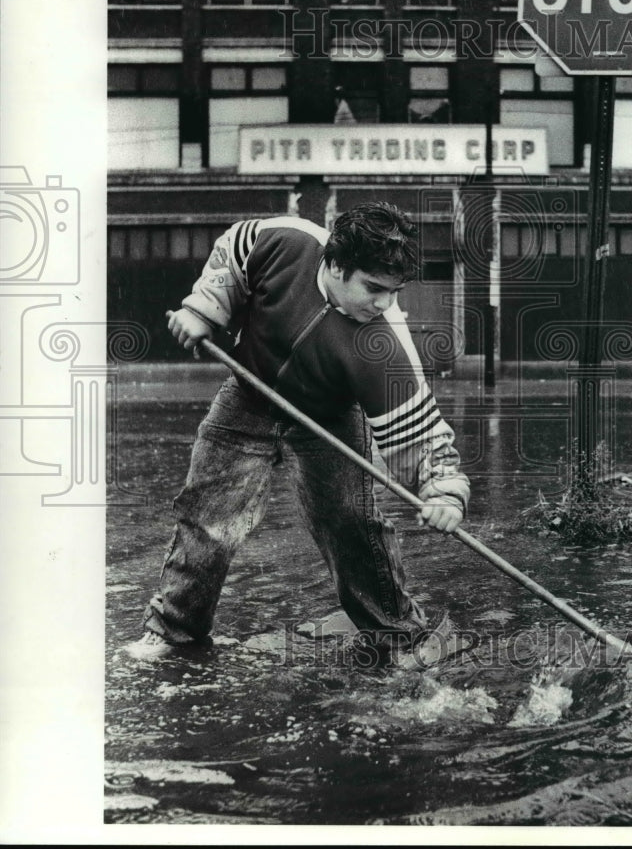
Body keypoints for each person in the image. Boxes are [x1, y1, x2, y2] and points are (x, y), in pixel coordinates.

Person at [135, 202, 470, 666]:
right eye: (373, 288)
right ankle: (173, 633)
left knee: (350, 524)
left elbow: (421, 431)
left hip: (330, 416)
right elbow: (233, 254)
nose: (383, 304)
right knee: (208, 518)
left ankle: (399, 641)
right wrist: (206, 310)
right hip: (249, 391)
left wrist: (444, 491)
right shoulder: (283, 240)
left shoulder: (383, 342)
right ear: (334, 265)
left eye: (393, 292)